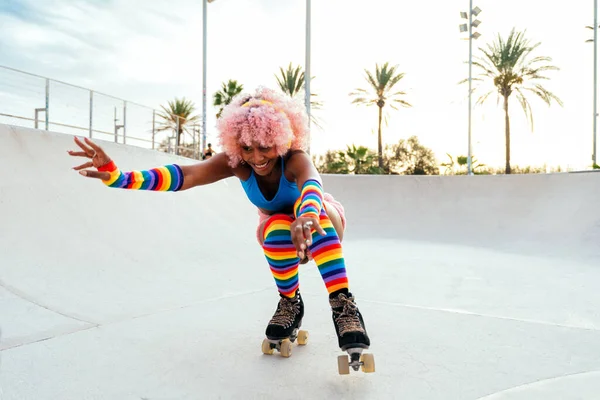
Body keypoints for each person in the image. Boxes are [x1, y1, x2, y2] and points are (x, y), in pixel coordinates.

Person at [68, 86, 370, 354]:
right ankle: (290, 302)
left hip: (321, 225)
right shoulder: (237, 163)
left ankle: (343, 305)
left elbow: (312, 183)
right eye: (247, 147)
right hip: (284, 239)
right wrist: (121, 178)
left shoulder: (294, 159)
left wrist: (304, 214)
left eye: (265, 146)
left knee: (314, 214)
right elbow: (188, 174)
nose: (256, 157)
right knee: (274, 227)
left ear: (280, 139)